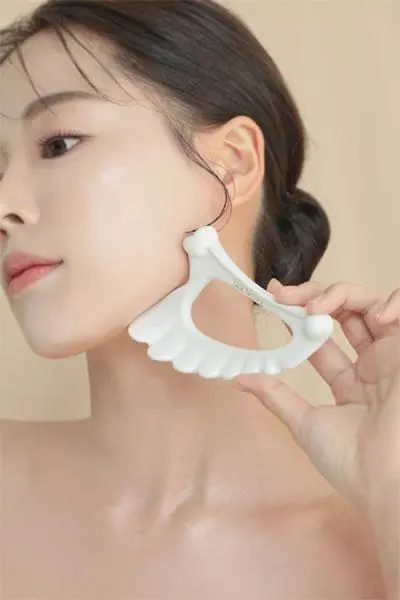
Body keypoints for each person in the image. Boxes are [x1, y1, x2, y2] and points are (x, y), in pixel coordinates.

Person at [0, 0, 398, 597]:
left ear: (231, 164)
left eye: (58, 144)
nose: (5, 204)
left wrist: (393, 493)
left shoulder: (373, 546)